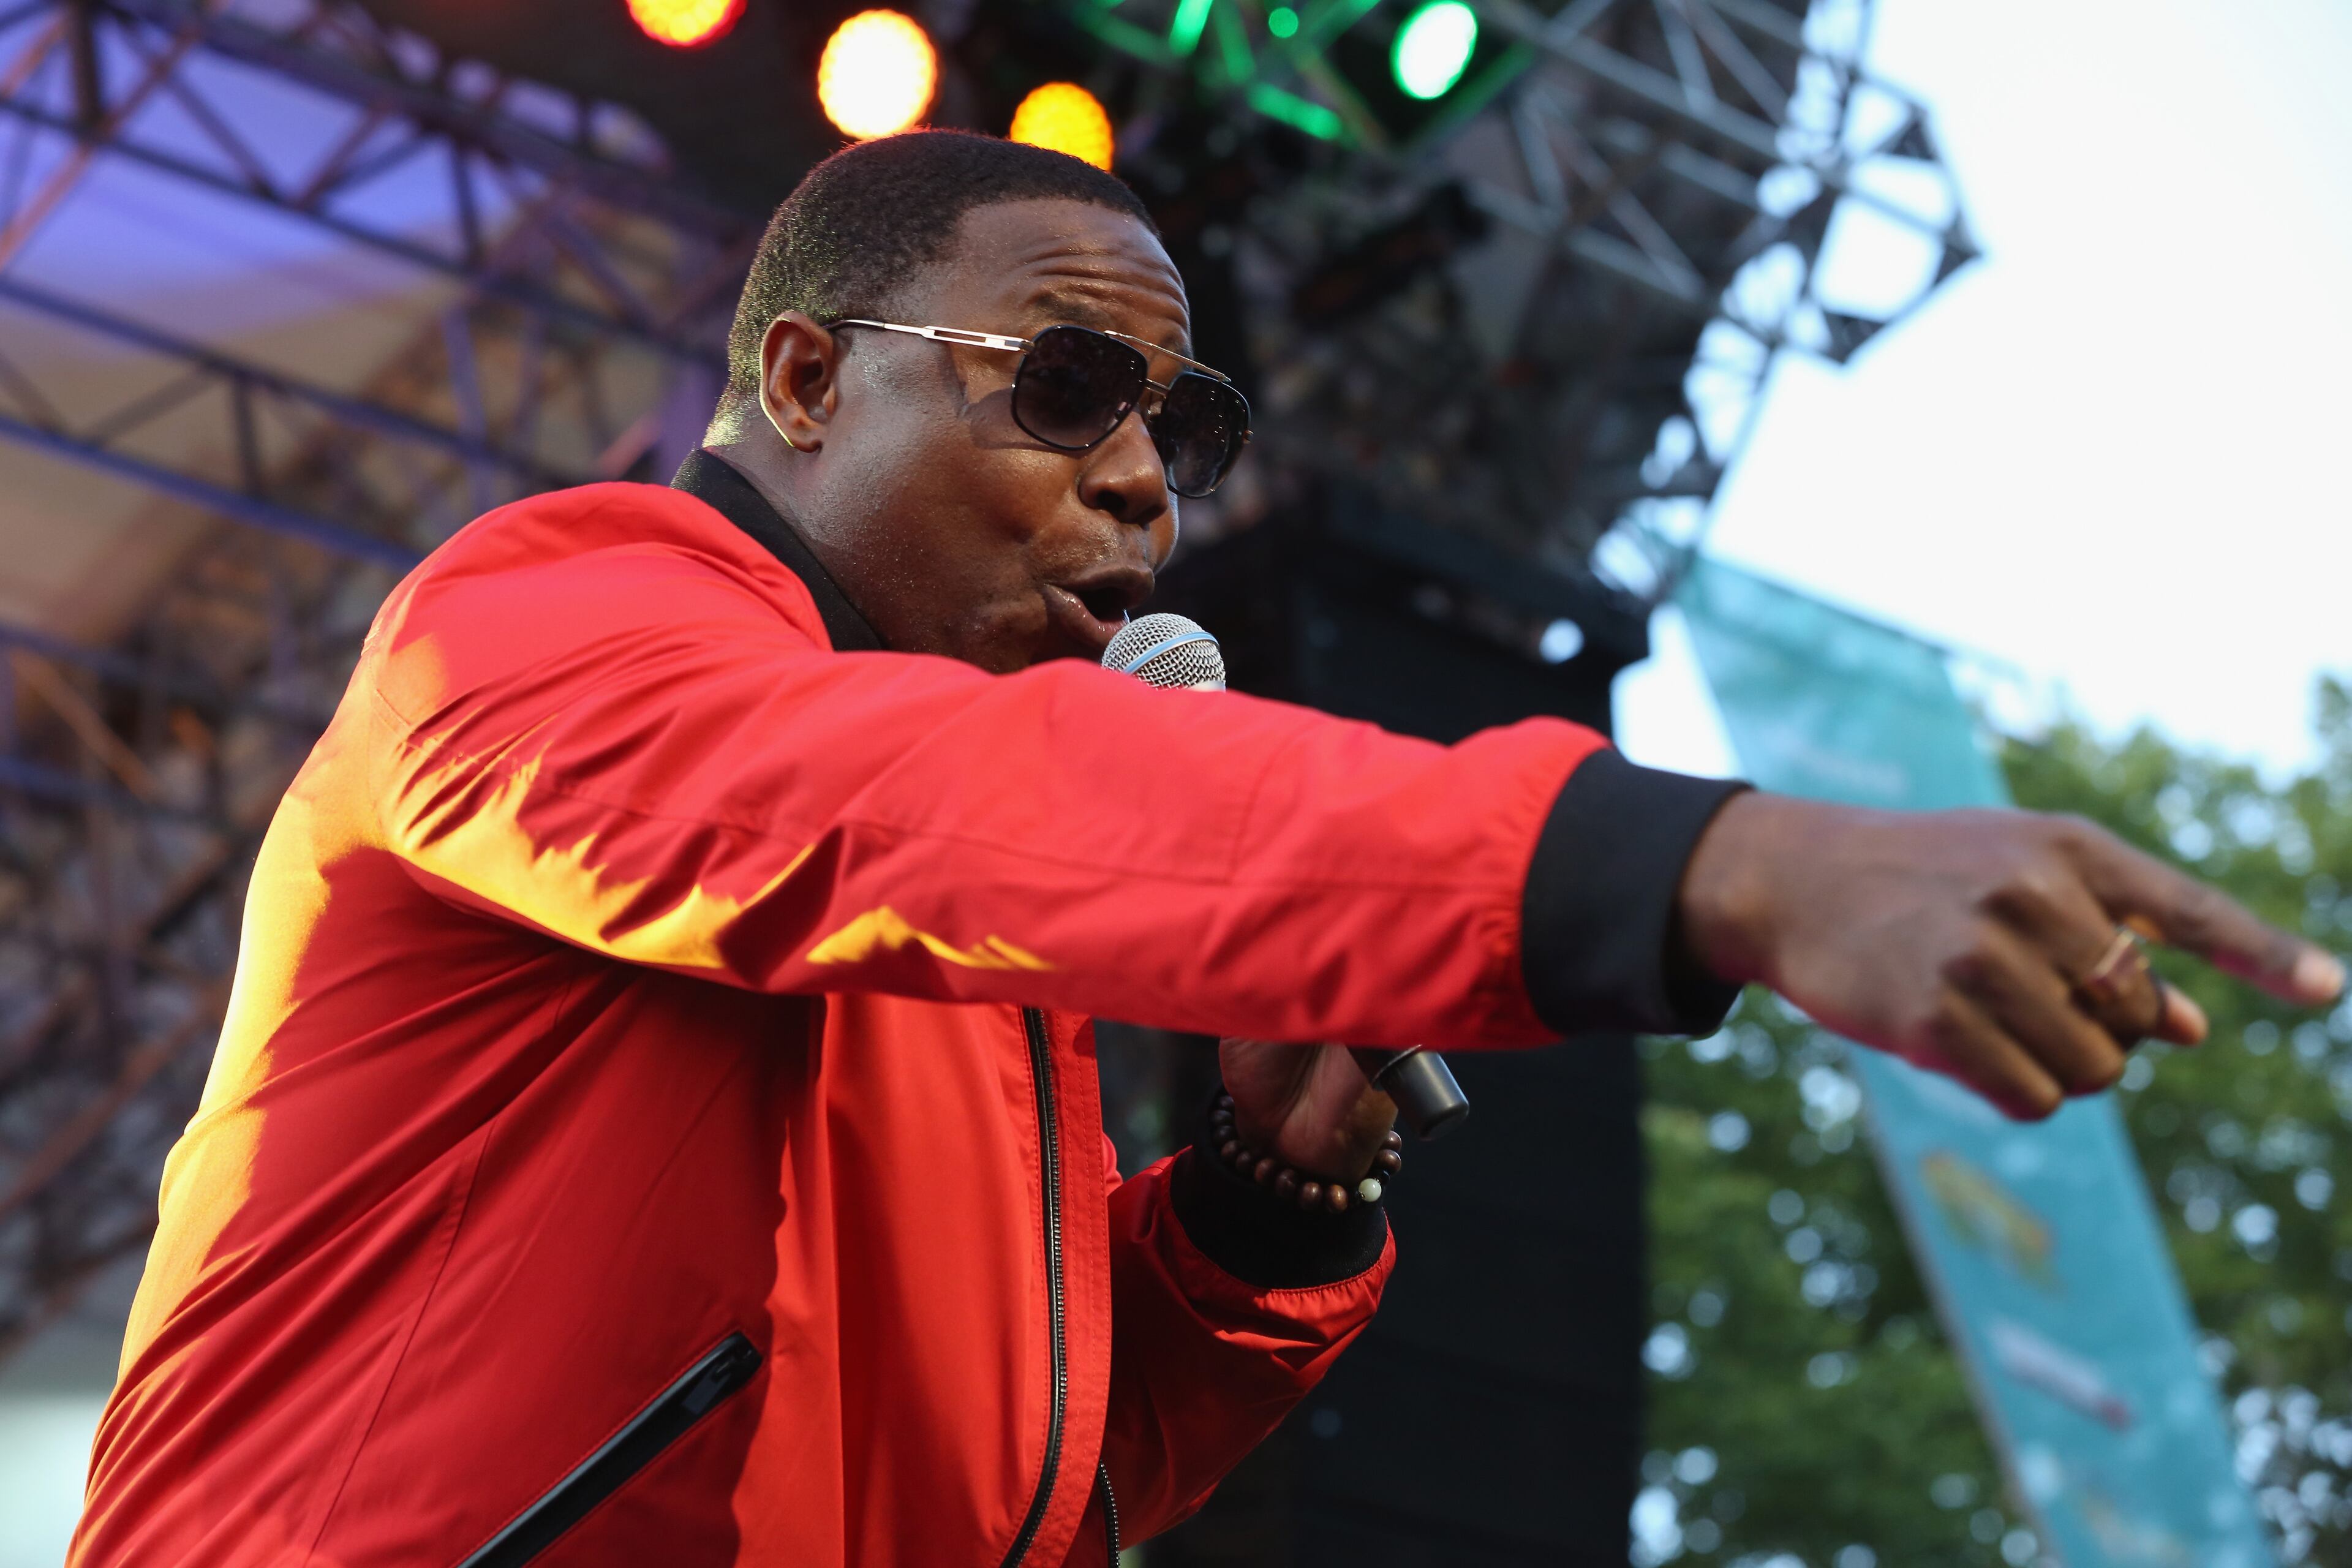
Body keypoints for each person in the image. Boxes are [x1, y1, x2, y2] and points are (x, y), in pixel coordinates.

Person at [69, 132, 2340, 1568]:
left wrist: (1266, 1207)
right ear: (798, 380)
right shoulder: (544, 628)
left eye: (1181, 420)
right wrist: (1708, 862)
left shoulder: (973, 940)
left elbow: (1032, 1473)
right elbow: (900, 803)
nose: (1151, 480)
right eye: (1065, 387)